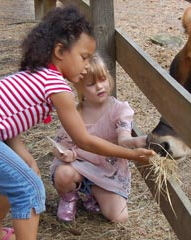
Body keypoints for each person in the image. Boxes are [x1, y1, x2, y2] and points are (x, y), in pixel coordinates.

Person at [0, 6, 154, 240]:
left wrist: (28, 159)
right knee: (29, 188)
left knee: (19, 174)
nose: (86, 66)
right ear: (60, 51)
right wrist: (132, 155)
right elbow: (83, 140)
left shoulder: (37, 75)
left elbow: (3, 125)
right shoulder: (57, 86)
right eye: (84, 57)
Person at [50, 54, 148, 223]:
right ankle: (68, 197)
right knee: (64, 174)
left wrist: (133, 142)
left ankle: (92, 192)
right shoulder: (75, 113)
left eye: (102, 80)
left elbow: (123, 137)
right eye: (91, 84)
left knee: (119, 217)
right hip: (79, 166)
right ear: (79, 88)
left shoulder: (119, 109)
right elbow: (59, 146)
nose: (99, 87)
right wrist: (65, 154)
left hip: (106, 170)